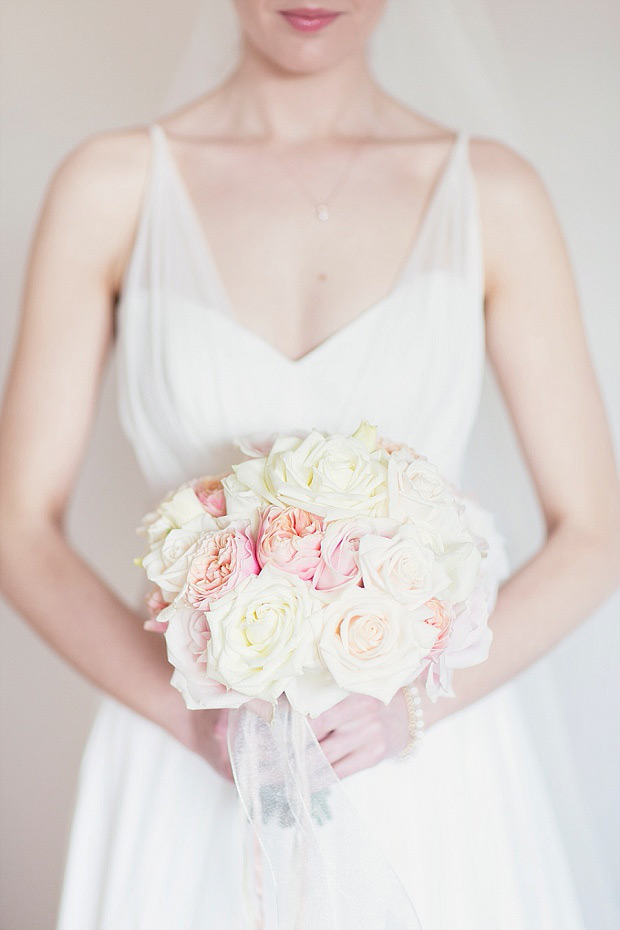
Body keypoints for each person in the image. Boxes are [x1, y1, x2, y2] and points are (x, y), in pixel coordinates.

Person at [1, 1, 618, 927]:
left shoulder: (492, 193)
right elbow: (18, 527)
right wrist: (195, 722)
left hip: (428, 766)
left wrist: (406, 706)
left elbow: (596, 533)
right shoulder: (112, 185)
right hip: (187, 757)